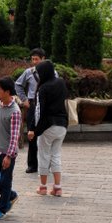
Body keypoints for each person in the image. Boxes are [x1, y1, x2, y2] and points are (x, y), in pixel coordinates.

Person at [27, 60, 68, 196]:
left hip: (48, 127)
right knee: (56, 155)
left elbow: (38, 111)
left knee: (43, 155)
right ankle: (58, 187)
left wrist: (33, 129)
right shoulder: (61, 82)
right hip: (62, 125)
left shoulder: (43, 88)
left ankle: (43, 187)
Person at [0, 76, 21, 220]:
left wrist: (9, 155)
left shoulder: (15, 111)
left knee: (6, 181)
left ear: (7, 92)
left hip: (7, 153)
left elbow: (14, 136)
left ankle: (2, 208)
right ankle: (11, 195)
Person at [15, 47, 46, 173]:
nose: (34, 61)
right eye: (32, 59)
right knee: (32, 134)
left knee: (45, 135)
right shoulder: (28, 72)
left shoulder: (51, 72)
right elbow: (17, 84)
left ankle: (45, 164)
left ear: (43, 59)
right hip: (33, 104)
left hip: (45, 105)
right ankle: (32, 164)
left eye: (37, 59)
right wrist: (24, 99)